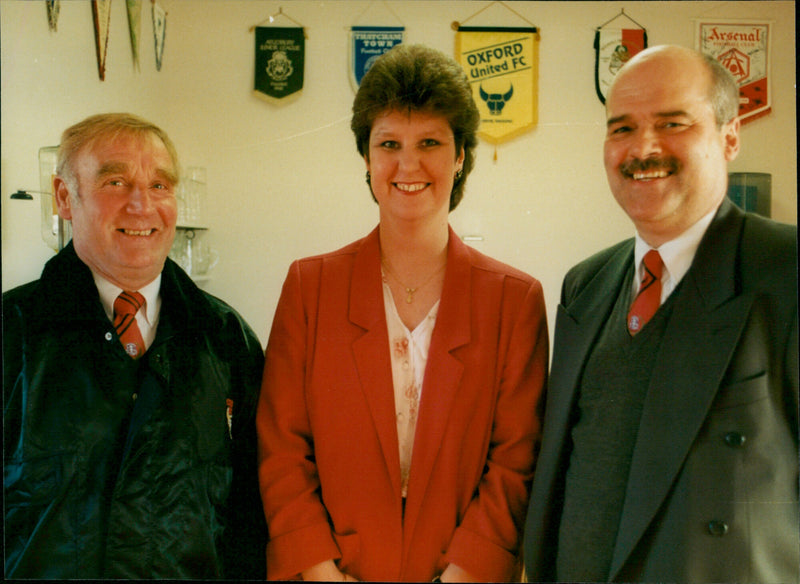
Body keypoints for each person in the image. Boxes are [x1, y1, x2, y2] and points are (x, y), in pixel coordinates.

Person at [257, 44, 548, 582]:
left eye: (430, 143)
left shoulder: (515, 300)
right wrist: (320, 572)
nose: (408, 164)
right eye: (388, 143)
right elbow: (281, 449)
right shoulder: (309, 287)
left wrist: (463, 575)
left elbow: (515, 462)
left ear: (460, 155)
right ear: (366, 158)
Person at [523, 45, 798, 583]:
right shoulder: (586, 285)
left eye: (672, 123)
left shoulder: (787, 271)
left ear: (730, 136)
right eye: (621, 128)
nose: (643, 148)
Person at [3, 113, 267, 579]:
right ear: (65, 197)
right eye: (116, 181)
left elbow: (254, 522)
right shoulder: (11, 333)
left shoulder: (227, 339)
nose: (142, 205)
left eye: (161, 186)